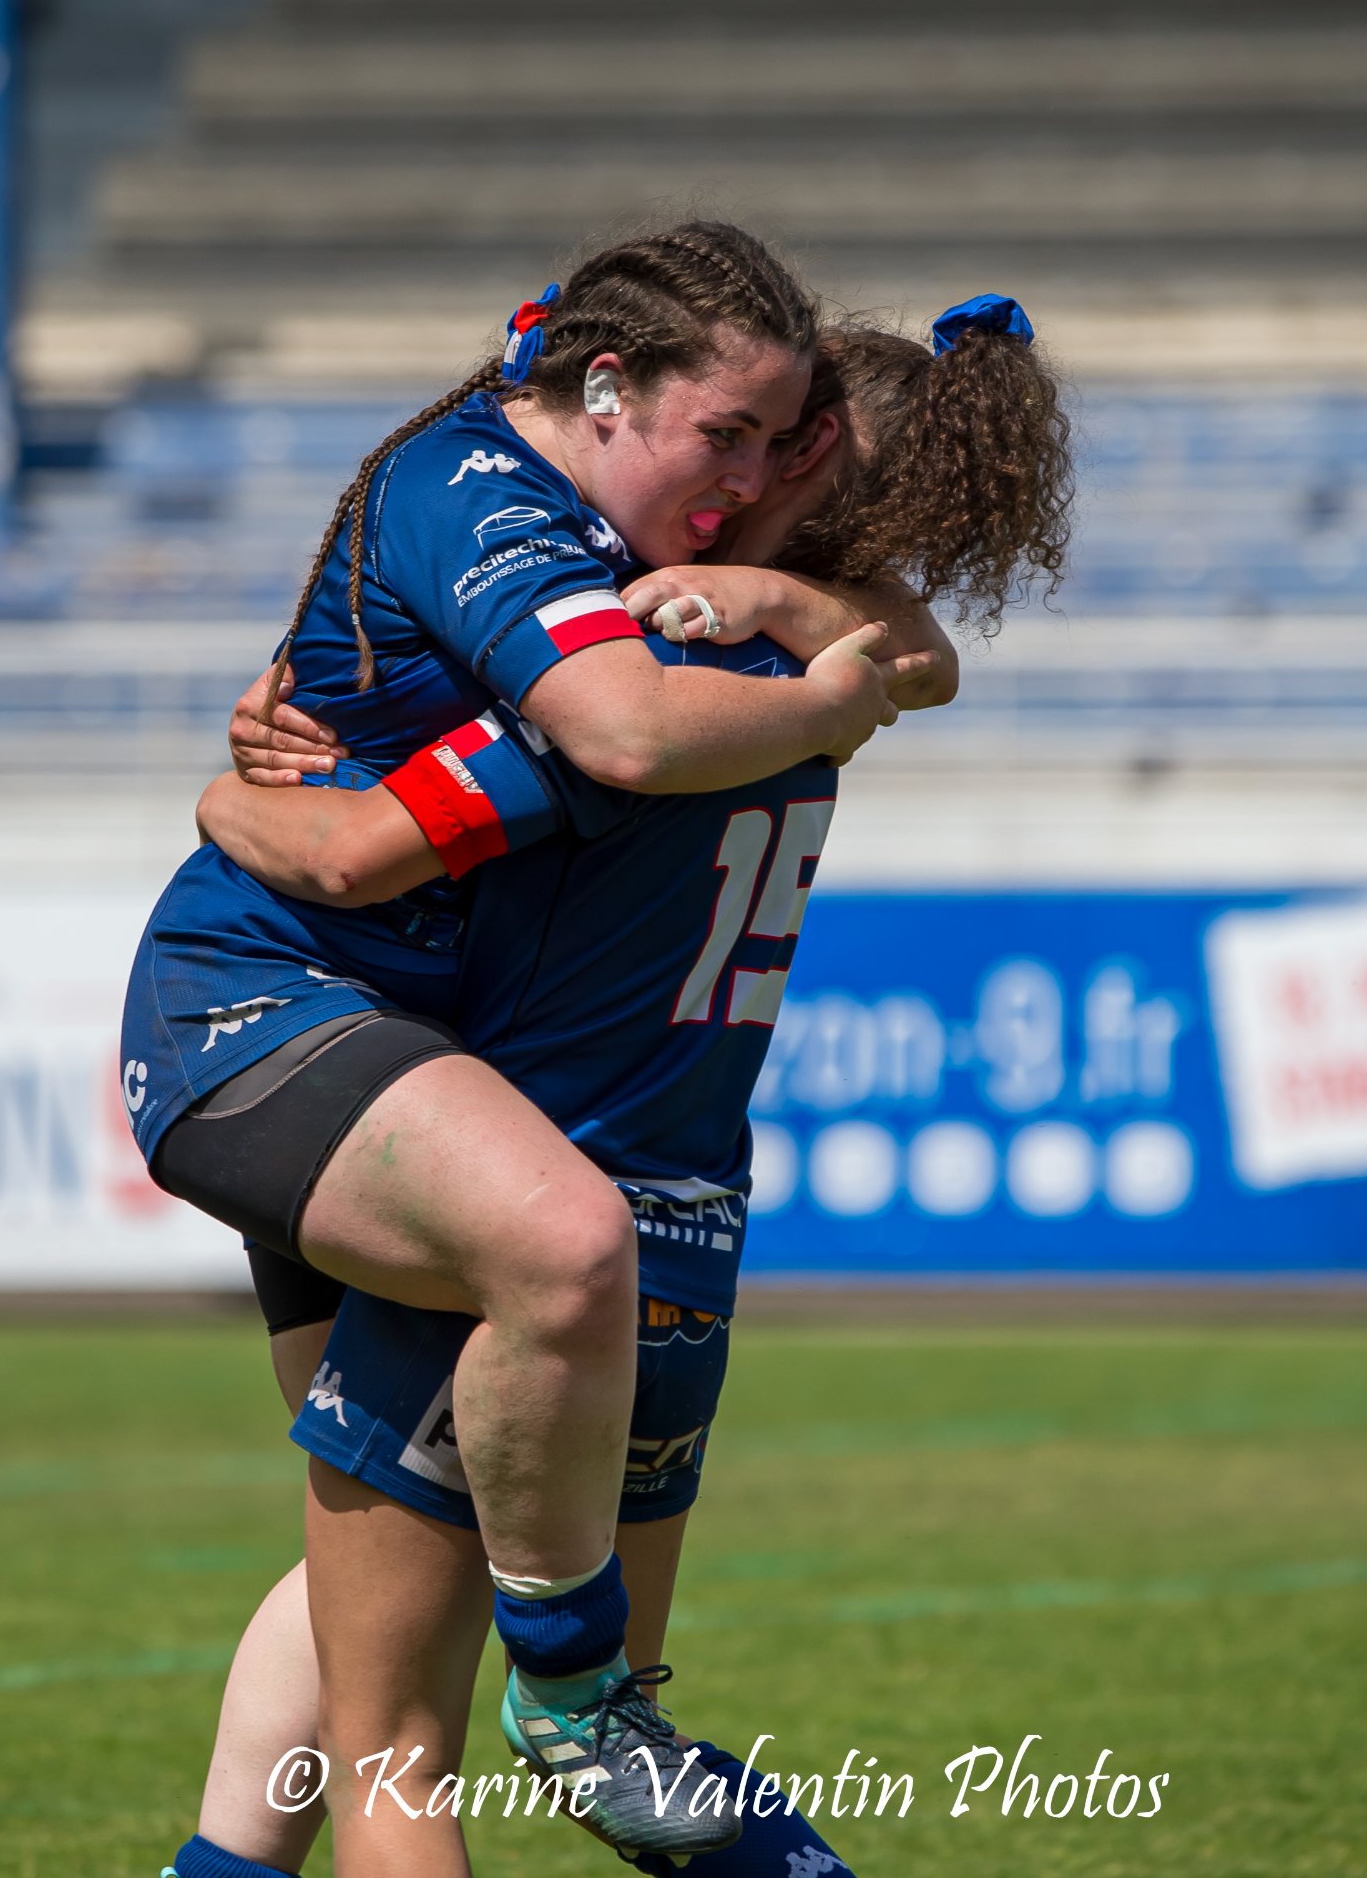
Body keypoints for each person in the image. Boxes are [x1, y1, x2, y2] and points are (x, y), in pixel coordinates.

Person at [160, 295, 1072, 1878]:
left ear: (794, 466)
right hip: (645, 1198)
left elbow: (359, 842)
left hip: (517, 1178)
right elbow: (910, 651)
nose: (709, 486)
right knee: (551, 1715)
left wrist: (226, 800)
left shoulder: (643, 673)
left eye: (747, 453)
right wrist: (791, 603)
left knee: (403, 1729)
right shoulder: (830, 663)